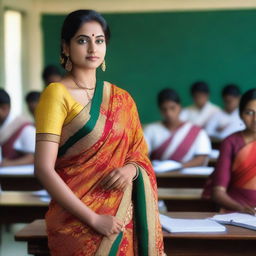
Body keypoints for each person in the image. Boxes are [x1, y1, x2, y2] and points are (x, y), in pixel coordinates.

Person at [34, 10, 164, 255]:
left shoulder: (122, 99)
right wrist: (94, 219)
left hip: (120, 215)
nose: (92, 47)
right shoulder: (56, 94)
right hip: (76, 222)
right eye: (82, 40)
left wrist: (131, 169)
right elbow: (43, 168)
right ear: (65, 47)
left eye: (99, 40)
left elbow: (139, 153)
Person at [203, 89, 256, 214]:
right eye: (249, 112)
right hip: (235, 212)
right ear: (240, 114)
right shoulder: (230, 142)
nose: (255, 119)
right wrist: (242, 209)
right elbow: (218, 193)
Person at [144, 88, 211, 167]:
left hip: (187, 176)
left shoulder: (197, 131)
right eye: (164, 109)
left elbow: (201, 158)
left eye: (172, 108)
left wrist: (177, 167)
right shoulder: (150, 129)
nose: (168, 113)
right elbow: (144, 155)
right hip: (158, 175)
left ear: (180, 107)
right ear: (160, 110)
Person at [0, 88, 35, 166]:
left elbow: (34, 157)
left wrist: (8, 164)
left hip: (20, 177)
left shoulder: (25, 128)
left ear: (4, 108)